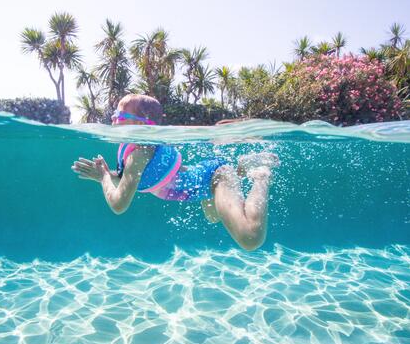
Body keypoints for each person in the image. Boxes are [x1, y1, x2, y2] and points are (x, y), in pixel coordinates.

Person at [71, 94, 279, 251]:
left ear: (142, 124)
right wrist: (111, 173)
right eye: (114, 114)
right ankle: (242, 167)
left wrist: (103, 178)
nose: (113, 120)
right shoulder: (131, 149)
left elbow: (118, 204)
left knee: (250, 238)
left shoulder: (140, 153)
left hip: (215, 176)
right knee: (213, 217)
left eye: (120, 115)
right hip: (203, 183)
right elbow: (131, 175)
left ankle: (261, 175)